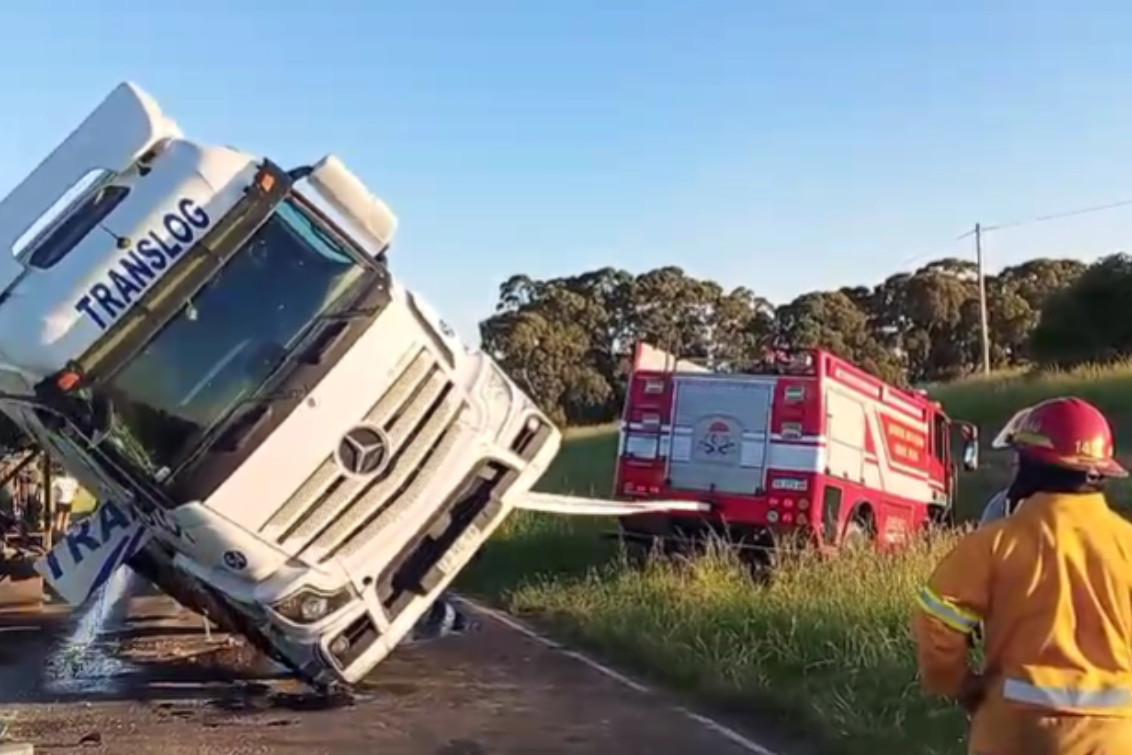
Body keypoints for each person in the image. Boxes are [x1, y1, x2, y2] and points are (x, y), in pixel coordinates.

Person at [912, 396, 1132, 755]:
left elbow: (936, 620)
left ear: (1031, 465)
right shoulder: (1127, 545)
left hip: (1015, 733)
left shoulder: (995, 542)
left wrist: (957, 683)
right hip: (1115, 739)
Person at [51, 466, 80, 536]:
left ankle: (57, 532)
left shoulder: (58, 479)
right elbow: (77, 490)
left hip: (60, 500)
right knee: (66, 516)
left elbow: (51, 486)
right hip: (69, 500)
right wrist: (74, 496)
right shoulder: (74, 480)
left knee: (59, 516)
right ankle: (64, 530)